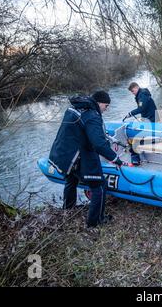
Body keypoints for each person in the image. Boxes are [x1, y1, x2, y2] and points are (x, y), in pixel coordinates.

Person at [49, 91, 128, 227]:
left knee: (71, 180)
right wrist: (116, 159)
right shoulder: (92, 115)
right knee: (99, 187)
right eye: (106, 106)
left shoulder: (74, 108)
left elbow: (78, 131)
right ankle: (95, 222)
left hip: (63, 154)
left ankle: (68, 210)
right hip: (77, 156)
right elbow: (98, 144)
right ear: (99, 102)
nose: (106, 109)